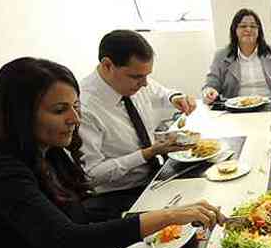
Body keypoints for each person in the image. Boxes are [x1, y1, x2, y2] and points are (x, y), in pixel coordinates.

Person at [0, 57, 220, 248]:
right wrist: (168, 216)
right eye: (60, 110)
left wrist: (160, 214)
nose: (75, 119)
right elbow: (67, 242)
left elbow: (80, 216)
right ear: (20, 115)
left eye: (76, 107)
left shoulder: (47, 152)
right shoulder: (4, 172)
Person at [79, 30, 197, 216]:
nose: (144, 84)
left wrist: (175, 97)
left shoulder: (133, 81)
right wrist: (147, 153)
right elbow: (91, 175)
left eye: (147, 76)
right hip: (119, 195)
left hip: (154, 176)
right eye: (137, 77)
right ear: (107, 65)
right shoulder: (85, 108)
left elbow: (159, 92)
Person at [202, 8, 271, 103]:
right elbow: (210, 85)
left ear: (259, 31)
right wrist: (210, 92)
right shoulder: (221, 56)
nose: (248, 29)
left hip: (270, 106)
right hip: (235, 110)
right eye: (243, 26)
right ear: (235, 30)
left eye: (253, 26)